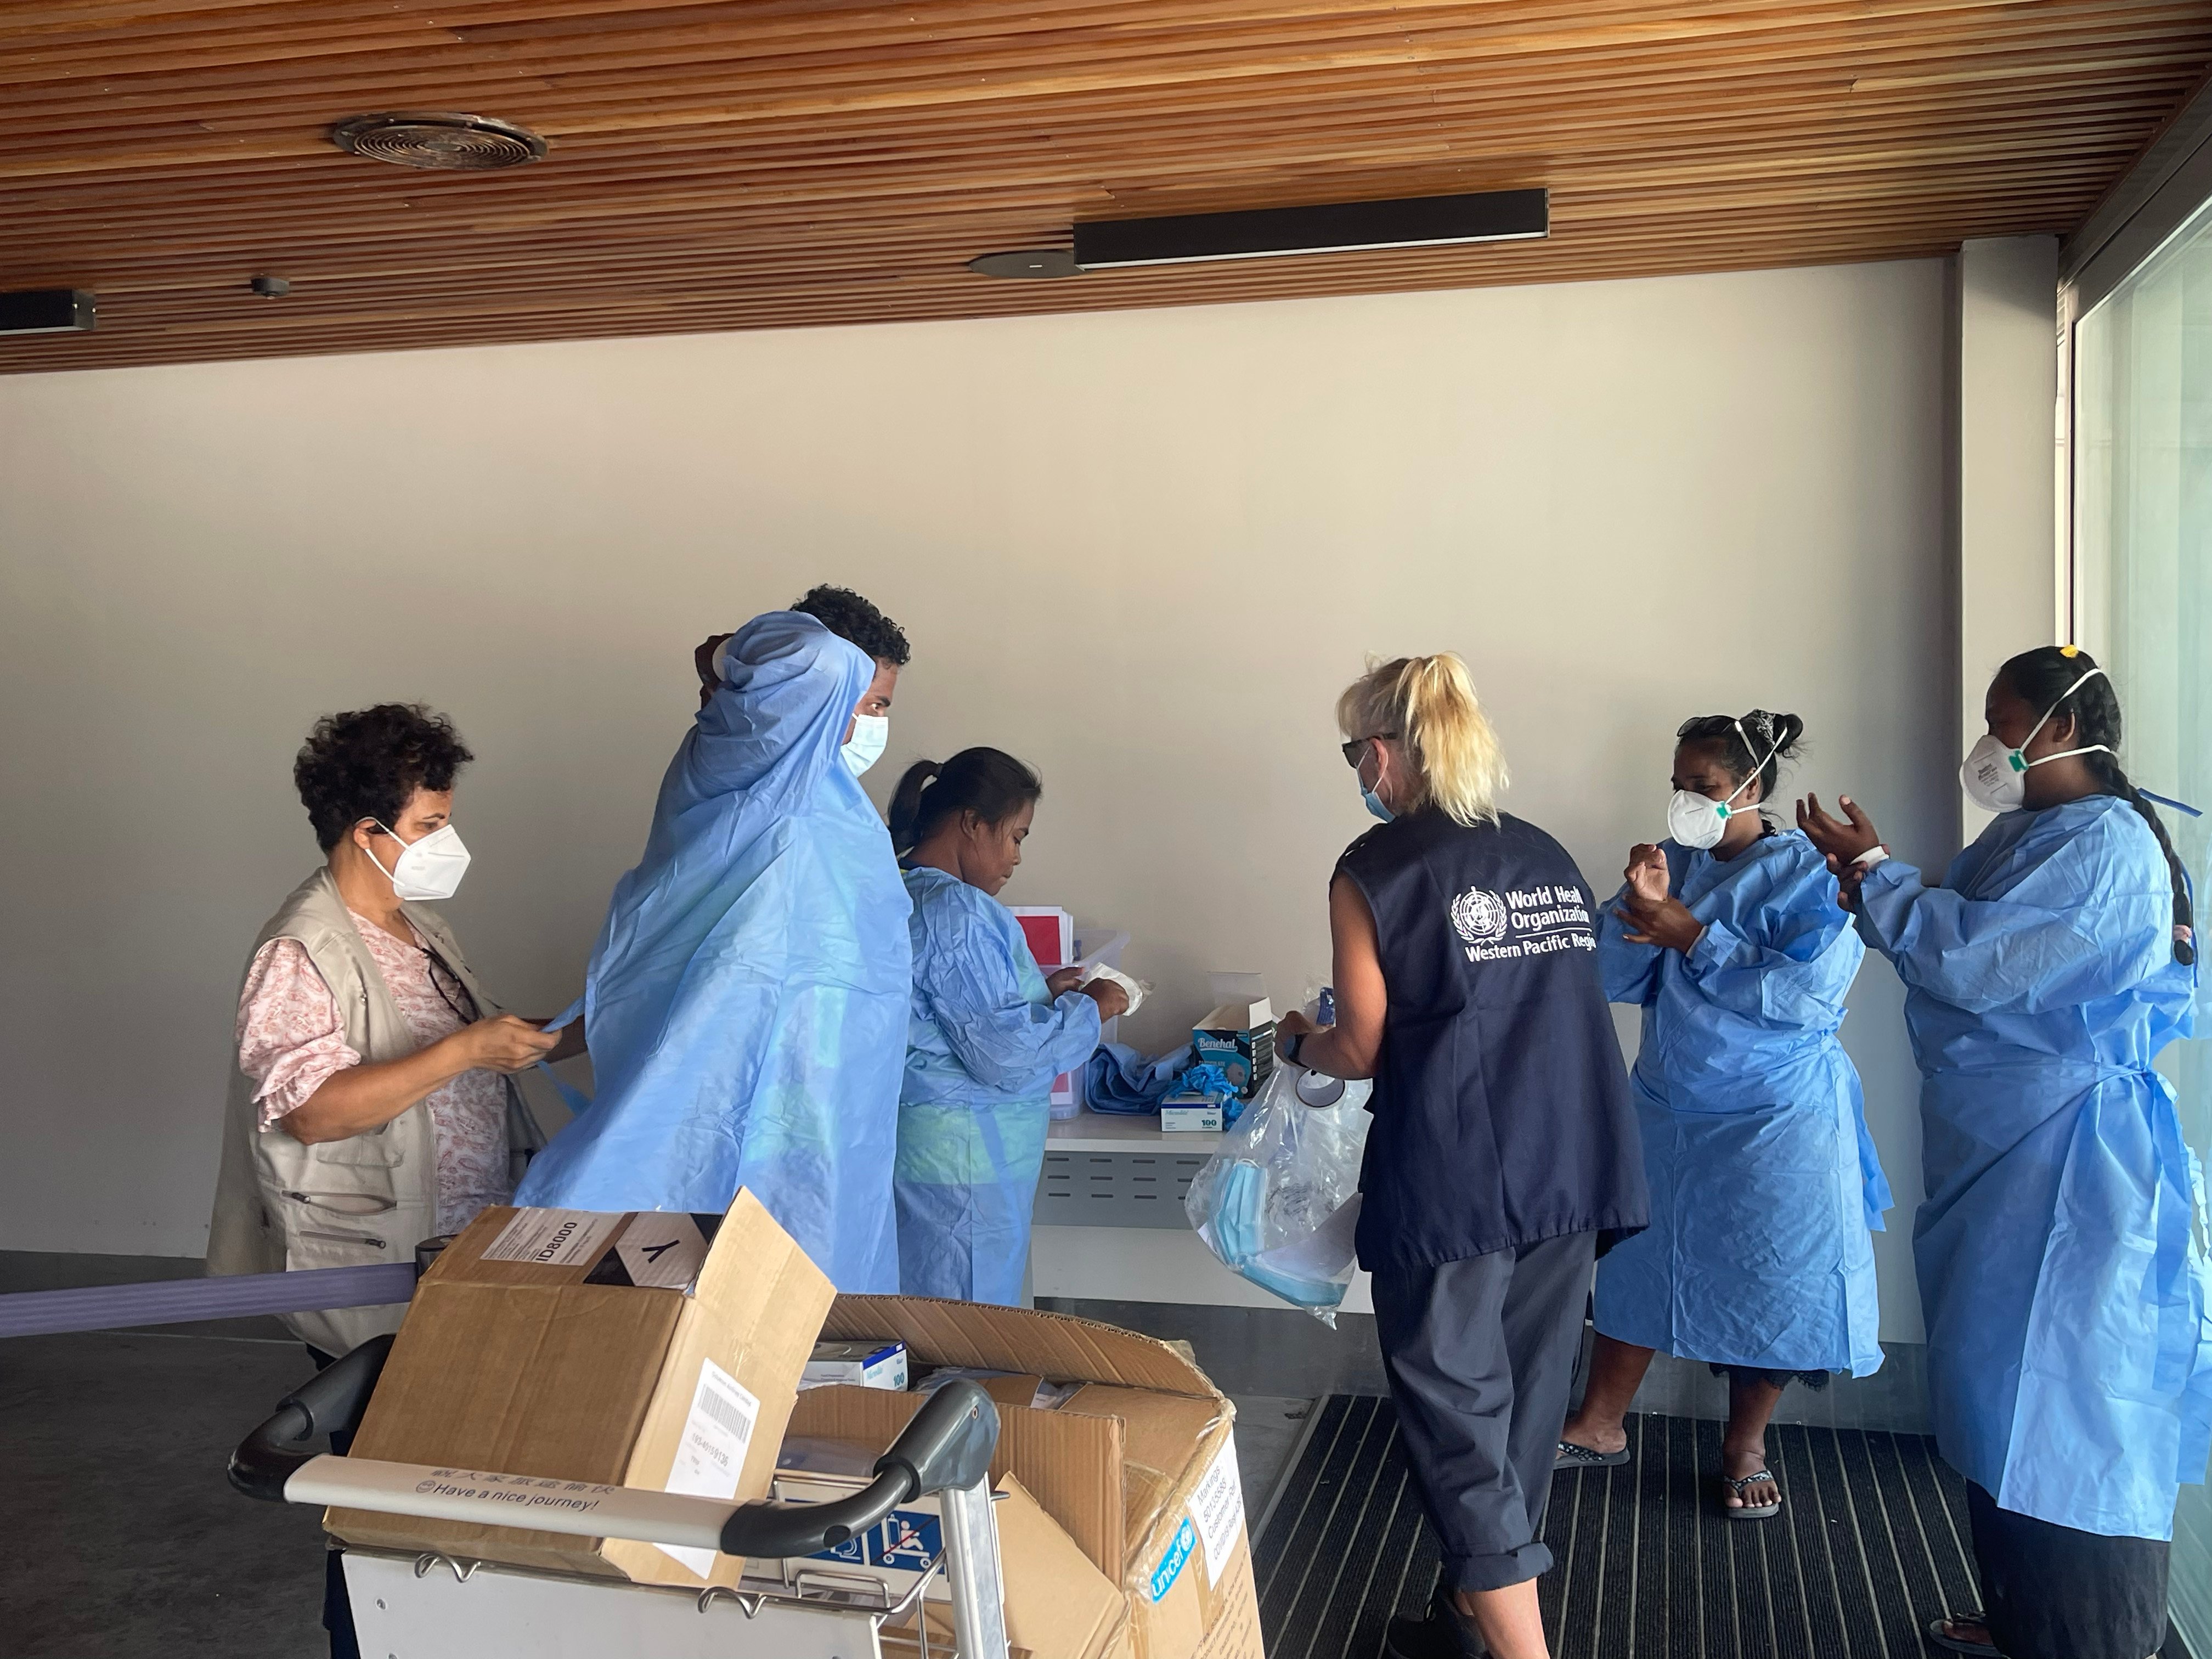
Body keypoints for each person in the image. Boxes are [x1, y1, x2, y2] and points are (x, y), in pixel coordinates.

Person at [1799, 645, 2209, 1659]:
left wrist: (1877, 876)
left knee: (2068, 1413)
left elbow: (1975, 959)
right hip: (2008, 1151)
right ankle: (2028, 1620)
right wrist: (1876, 879)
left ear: (2059, 726)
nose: (1987, 742)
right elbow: (1960, 930)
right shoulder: (2031, 832)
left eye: (2002, 719)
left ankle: (2086, 1635)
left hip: (2073, 1168)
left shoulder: (2110, 847)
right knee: (1998, 1401)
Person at [1274, 654, 1647, 1659]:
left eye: (1354, 755)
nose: (1357, 774)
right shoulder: (1542, 853)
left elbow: (1360, 1045)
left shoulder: (1375, 868)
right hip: (1571, 1160)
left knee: (1456, 1420)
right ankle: (1465, 1623)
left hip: (1456, 1176)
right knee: (1524, 1405)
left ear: (1383, 753)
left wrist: (1295, 1045)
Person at [205, 703, 573, 1659]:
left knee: (444, 1483)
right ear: (366, 831)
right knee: (380, 1496)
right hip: (371, 1264)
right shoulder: (302, 950)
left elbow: (485, 1043)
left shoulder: (419, 929)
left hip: (456, 1253)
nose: (448, 842)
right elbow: (312, 1109)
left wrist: (582, 1026)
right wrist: (464, 1051)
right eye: (430, 824)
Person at [515, 588, 915, 1293]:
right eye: (870, 702)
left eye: (882, 707)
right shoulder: (753, 754)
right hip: (716, 1086)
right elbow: (819, 660)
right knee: (680, 1287)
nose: (870, 723)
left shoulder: (832, 794)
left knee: (811, 1303)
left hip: (817, 1102)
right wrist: (728, 657)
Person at [1556, 711, 1889, 1521]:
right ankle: (1600, 1423)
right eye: (1678, 786)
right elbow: (1609, 978)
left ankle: (1746, 1447)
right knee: (1640, 1259)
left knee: (1768, 1275)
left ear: (1753, 785)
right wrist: (1638, 906)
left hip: (1774, 1115)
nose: (1685, 802)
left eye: (1702, 787)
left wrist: (1695, 936)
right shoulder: (1675, 862)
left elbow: (1808, 998)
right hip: (1673, 1102)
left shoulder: (1810, 871)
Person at [887, 748, 1130, 1304]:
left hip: (931, 1159)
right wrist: (1092, 1009)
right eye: (1016, 837)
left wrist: (1042, 996)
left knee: (936, 1317)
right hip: (963, 1166)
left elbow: (944, 1019)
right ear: (973, 823)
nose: (1017, 857)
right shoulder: (956, 913)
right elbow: (1005, 1056)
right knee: (965, 1327)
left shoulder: (902, 892)